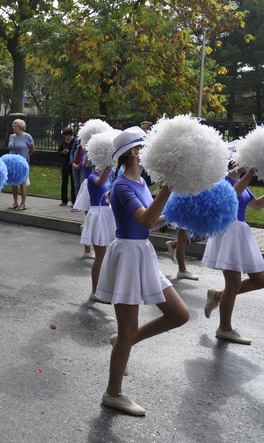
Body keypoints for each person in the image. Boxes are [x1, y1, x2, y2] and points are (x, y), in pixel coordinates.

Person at [95, 126, 189, 416]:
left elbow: (152, 221)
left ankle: (127, 339)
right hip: (127, 255)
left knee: (179, 314)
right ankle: (113, 393)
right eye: (144, 148)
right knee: (127, 328)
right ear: (134, 152)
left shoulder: (140, 184)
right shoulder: (122, 185)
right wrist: (168, 187)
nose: (148, 153)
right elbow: (145, 220)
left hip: (143, 253)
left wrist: (176, 215)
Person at [202, 166, 264, 345]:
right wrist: (251, 174)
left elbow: (257, 206)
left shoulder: (240, 182)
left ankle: (217, 296)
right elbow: (231, 195)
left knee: (260, 279)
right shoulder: (221, 181)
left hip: (241, 233)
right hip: (228, 231)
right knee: (234, 284)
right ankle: (224, 328)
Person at [81, 164, 115, 302]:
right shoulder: (92, 176)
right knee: (100, 255)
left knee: (108, 255)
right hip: (98, 215)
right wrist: (108, 168)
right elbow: (100, 181)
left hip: (108, 215)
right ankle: (94, 291)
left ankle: (105, 288)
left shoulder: (110, 176)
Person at [7, 119, 35, 210]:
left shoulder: (27, 137)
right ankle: (15, 202)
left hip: (23, 163)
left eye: (15, 126)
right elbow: (10, 148)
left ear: (21, 127)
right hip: (12, 163)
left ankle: (23, 204)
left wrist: (26, 156)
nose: (13, 128)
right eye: (13, 126)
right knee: (14, 183)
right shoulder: (11, 136)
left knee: (22, 182)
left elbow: (32, 149)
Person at [59, 126, 76, 207]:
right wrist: (63, 152)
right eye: (65, 135)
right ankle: (64, 200)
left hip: (72, 164)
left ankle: (74, 201)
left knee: (73, 183)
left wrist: (69, 152)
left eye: (68, 135)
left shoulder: (75, 142)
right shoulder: (63, 142)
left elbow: (75, 152)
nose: (67, 137)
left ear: (71, 135)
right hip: (65, 164)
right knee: (64, 182)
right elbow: (59, 152)